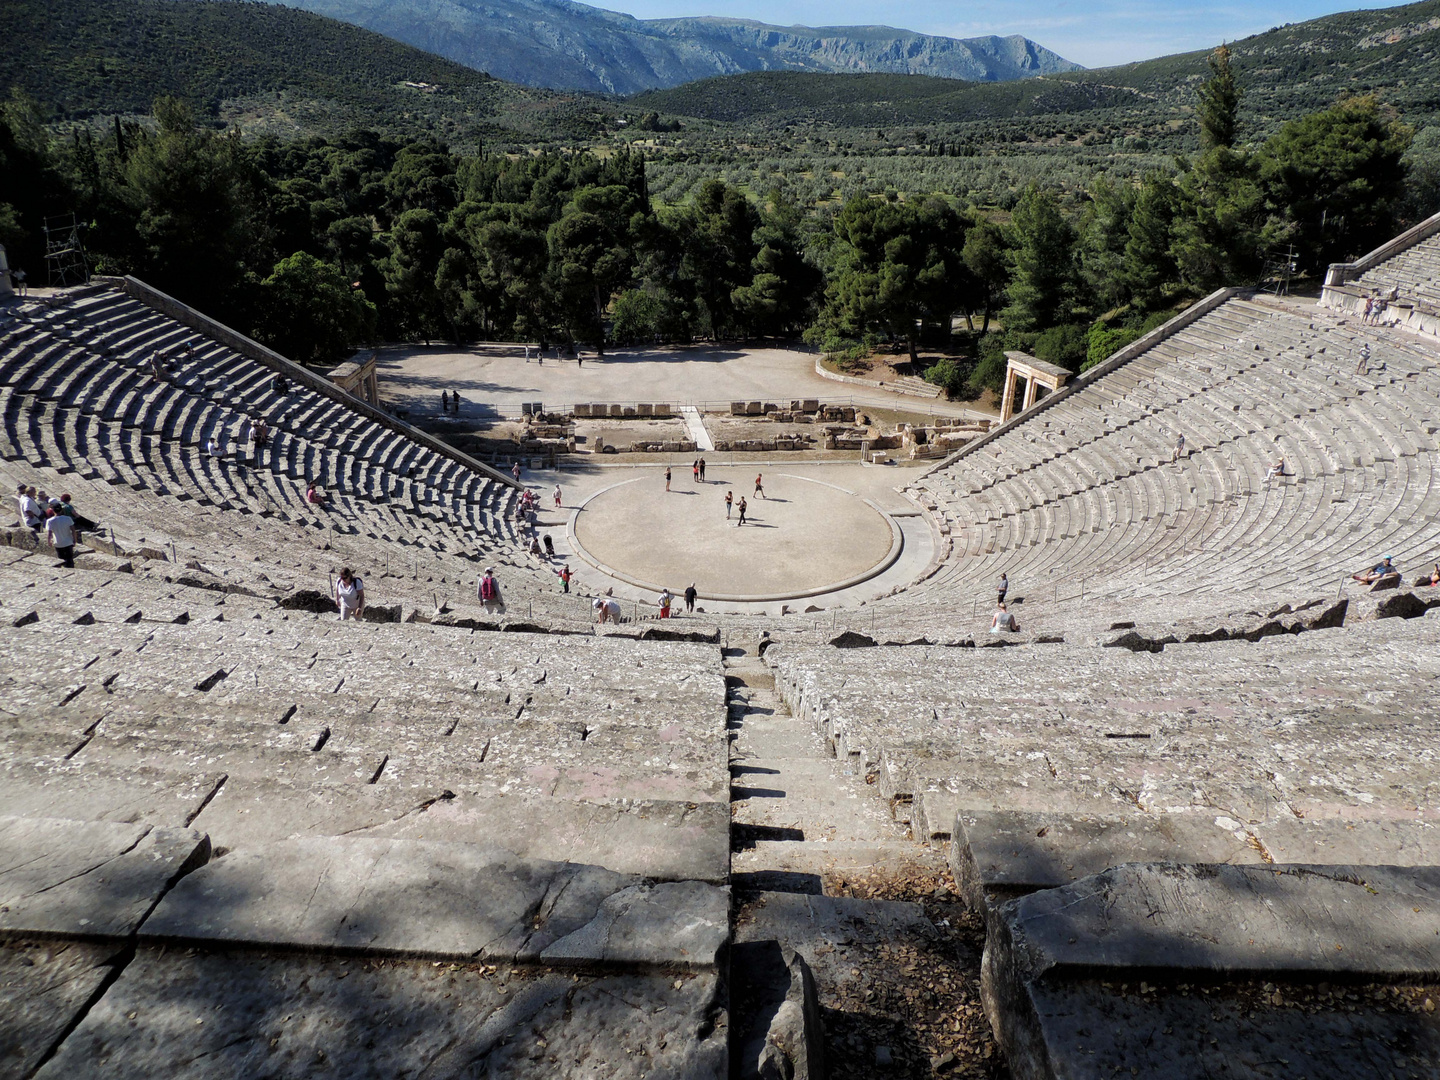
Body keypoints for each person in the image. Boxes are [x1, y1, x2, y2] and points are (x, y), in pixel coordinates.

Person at [45, 501, 78, 568]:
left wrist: (49, 541)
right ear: (61, 509)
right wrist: (75, 540)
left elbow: (49, 533)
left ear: (53, 510)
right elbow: (73, 530)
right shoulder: (68, 519)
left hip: (58, 543)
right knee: (70, 559)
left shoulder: (50, 521)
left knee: (61, 560)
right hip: (68, 542)